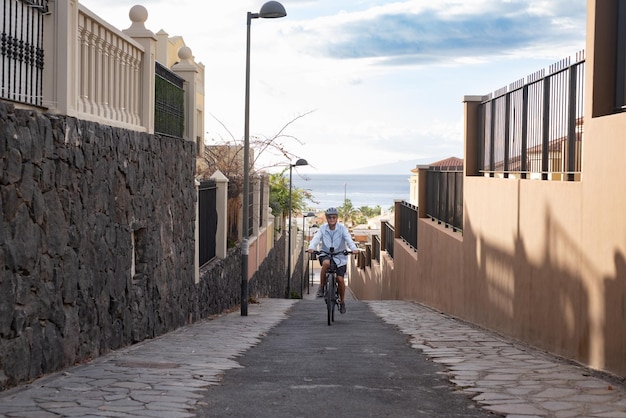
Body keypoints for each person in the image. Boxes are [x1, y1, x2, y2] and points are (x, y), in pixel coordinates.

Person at [307, 207, 358, 314]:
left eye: (334, 217)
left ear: (337, 218)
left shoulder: (342, 228)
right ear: (327, 218)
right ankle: (321, 287)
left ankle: (342, 302)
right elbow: (316, 238)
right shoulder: (322, 228)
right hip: (326, 253)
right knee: (326, 263)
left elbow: (348, 239)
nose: (332, 219)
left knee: (340, 279)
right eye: (330, 217)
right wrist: (311, 247)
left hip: (340, 256)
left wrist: (353, 249)